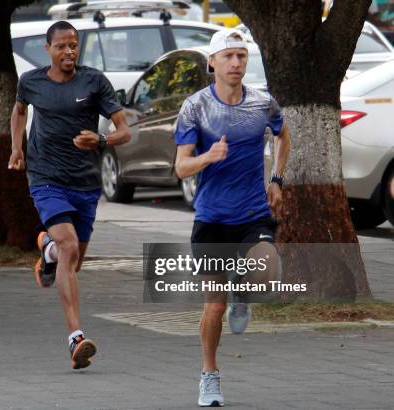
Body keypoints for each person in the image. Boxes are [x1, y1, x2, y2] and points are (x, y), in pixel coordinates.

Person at [174, 28, 291, 407]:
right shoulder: (195, 107)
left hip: (253, 213)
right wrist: (207, 157)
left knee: (267, 268)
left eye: (241, 56)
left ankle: (245, 293)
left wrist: (276, 178)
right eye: (228, 56)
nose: (236, 63)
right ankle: (209, 375)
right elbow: (180, 168)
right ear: (212, 62)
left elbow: (283, 135)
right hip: (211, 219)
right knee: (214, 306)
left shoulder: (262, 103)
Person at [8, 21, 130, 370]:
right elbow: (18, 113)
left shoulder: (93, 82)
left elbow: (125, 130)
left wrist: (101, 140)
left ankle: (47, 247)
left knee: (73, 260)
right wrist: (16, 149)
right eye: (61, 46)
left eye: (74, 45)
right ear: (48, 49)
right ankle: (76, 337)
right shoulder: (31, 82)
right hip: (46, 178)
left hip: (86, 183)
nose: (69, 52)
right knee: (70, 247)